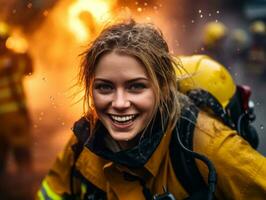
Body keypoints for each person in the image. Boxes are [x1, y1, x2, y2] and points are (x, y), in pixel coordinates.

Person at [37, 20, 266, 200]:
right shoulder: (83, 143)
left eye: (136, 86)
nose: (119, 103)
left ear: (164, 88)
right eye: (104, 87)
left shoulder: (209, 145)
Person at [0, 21, 33, 174]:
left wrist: (26, 53)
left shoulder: (14, 59)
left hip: (16, 117)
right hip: (14, 117)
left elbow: (29, 70)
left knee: (21, 155)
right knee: (19, 157)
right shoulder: (14, 59)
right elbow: (28, 69)